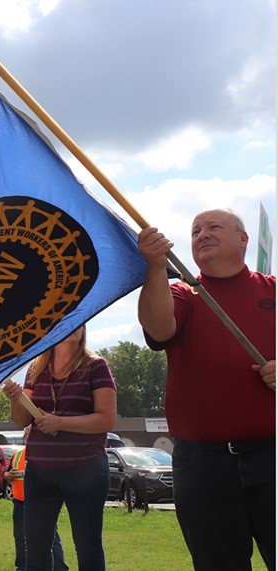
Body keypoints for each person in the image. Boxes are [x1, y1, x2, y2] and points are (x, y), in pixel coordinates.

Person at [136, 209, 275, 570]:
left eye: (214, 227)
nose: (203, 235)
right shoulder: (182, 293)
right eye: (196, 231)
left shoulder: (273, 290)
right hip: (203, 464)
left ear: (243, 239)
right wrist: (154, 267)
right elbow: (159, 329)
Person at [3, 325, 116, 571]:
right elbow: (22, 420)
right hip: (40, 471)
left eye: (81, 321)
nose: (75, 326)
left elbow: (107, 420)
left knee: (88, 546)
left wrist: (60, 422)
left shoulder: (96, 366)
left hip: (86, 468)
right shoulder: (36, 368)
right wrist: (16, 398)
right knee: (35, 548)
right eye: (68, 319)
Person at [4, 426, 68, 571]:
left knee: (50, 537)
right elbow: (7, 473)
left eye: (31, 434)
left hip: (41, 502)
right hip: (20, 502)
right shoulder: (18, 454)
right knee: (20, 537)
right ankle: (22, 567)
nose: (28, 437)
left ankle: (59, 567)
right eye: (26, 434)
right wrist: (8, 476)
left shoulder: (46, 454)